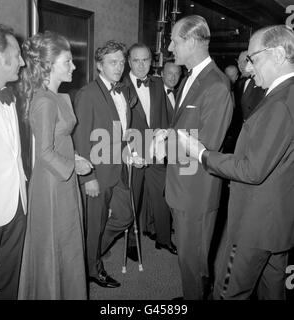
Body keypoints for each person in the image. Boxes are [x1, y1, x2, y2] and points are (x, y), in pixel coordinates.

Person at [179, 24, 294, 300]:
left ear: (277, 55)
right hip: (277, 223)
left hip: (253, 224)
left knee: (228, 293)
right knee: (271, 292)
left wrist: (201, 153)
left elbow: (251, 170)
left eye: (253, 58)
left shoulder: (279, 103)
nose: (249, 68)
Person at [165, 15, 233, 299]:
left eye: (175, 41)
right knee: (187, 260)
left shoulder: (216, 85)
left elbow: (206, 147)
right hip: (181, 187)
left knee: (194, 263)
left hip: (195, 193)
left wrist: (160, 144)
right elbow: (182, 129)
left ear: (192, 42)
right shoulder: (192, 77)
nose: (170, 47)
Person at [18, 31, 90, 300]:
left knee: (67, 240)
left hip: (63, 176)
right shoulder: (44, 101)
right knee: (55, 243)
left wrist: (76, 158)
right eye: (68, 61)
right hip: (51, 183)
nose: (74, 66)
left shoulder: (57, 96)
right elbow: (45, 153)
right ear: (48, 65)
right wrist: (74, 166)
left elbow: (59, 142)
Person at [73, 40, 134, 288]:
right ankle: (92, 268)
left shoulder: (123, 90)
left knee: (124, 216)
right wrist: (89, 178)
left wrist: (130, 151)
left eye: (121, 62)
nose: (119, 67)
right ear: (99, 65)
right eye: (112, 62)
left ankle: (90, 252)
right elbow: (81, 138)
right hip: (96, 171)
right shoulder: (88, 93)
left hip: (117, 168)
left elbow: (121, 132)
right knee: (94, 224)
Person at [122, 43, 177, 262]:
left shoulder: (156, 83)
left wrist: (164, 147)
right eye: (136, 60)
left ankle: (163, 238)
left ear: (151, 61)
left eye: (146, 60)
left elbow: (162, 116)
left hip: (156, 151)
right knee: (133, 198)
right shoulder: (121, 85)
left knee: (162, 195)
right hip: (134, 152)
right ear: (129, 62)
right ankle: (132, 243)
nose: (142, 64)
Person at [0, 28, 27, 300]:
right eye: (16, 55)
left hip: (17, 202)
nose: (23, 61)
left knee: (9, 277)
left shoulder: (10, 96)